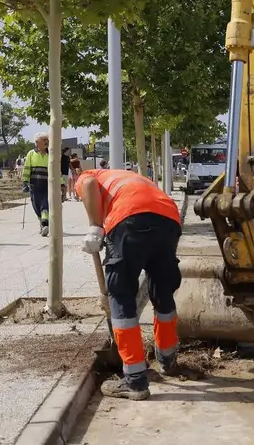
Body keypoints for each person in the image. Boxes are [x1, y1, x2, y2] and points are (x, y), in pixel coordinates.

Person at [76, 168, 183, 400]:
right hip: (168, 218)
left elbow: (89, 185)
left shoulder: (88, 174)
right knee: (162, 290)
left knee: (121, 293)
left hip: (129, 219)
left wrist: (95, 227)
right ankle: (168, 360)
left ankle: (135, 381)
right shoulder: (128, 177)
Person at [21, 133, 59, 237]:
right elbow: (27, 168)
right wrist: (24, 182)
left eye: (47, 140)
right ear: (37, 143)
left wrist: (62, 184)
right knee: (36, 205)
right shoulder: (31, 154)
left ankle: (45, 224)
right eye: (44, 140)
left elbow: (56, 170)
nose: (46, 142)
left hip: (47, 185)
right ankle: (42, 222)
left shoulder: (51, 154)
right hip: (34, 185)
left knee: (44, 205)